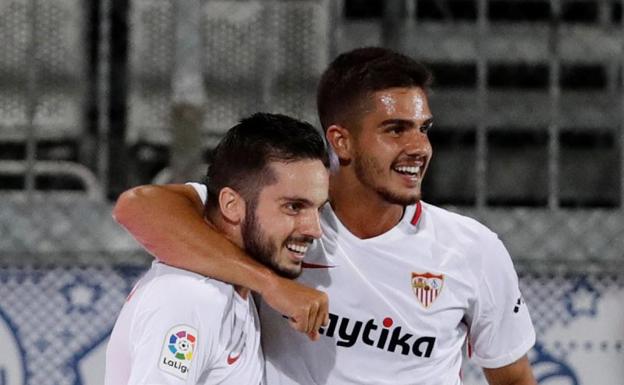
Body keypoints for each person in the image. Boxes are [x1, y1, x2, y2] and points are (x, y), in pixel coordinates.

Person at [113, 47, 537, 384]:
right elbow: (137, 206)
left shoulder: (472, 250)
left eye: (423, 128)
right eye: (395, 129)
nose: (419, 147)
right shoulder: (279, 221)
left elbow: (514, 378)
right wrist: (273, 286)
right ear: (342, 141)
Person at [105, 113, 330, 384]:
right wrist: (272, 285)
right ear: (231, 205)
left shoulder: (234, 292)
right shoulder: (188, 298)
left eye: (318, 208)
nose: (314, 229)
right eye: (293, 207)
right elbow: (136, 205)